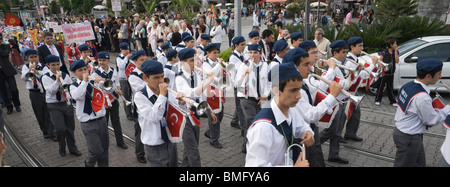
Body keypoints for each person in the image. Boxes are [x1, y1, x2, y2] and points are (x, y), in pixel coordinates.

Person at [245, 62, 314, 167]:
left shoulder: (291, 110)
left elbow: (302, 126)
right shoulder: (263, 128)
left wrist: (308, 132)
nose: (299, 96)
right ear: (276, 91)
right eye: (293, 91)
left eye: (299, 89)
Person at [394, 58, 450, 167]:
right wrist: (447, 108)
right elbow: (431, 120)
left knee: (419, 164)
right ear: (428, 76)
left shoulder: (407, 85)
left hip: (404, 133)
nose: (440, 77)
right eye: (439, 74)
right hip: (409, 138)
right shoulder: (422, 98)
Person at [294, 42, 342, 167]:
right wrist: (332, 96)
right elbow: (311, 114)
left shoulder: (304, 78)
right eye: (313, 53)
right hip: (303, 131)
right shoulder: (297, 85)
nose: (317, 55)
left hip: (308, 129)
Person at [134, 60, 186, 167]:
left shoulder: (167, 92)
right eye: (156, 77)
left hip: (170, 140)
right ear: (145, 78)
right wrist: (162, 95)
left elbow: (178, 110)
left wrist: (182, 102)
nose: (161, 81)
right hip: (154, 145)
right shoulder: (140, 96)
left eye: (162, 76)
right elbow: (154, 117)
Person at [175, 48, 215, 167]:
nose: (195, 63)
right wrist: (208, 81)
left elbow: (202, 96)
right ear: (183, 62)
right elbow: (192, 93)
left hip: (195, 115)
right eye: (191, 61)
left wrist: (210, 110)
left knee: (190, 149)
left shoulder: (196, 74)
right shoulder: (179, 78)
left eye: (195, 60)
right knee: (194, 153)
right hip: (184, 118)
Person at [69, 59, 108, 167]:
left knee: (104, 150)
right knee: (95, 150)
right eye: (80, 70)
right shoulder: (73, 86)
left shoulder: (94, 82)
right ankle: (88, 163)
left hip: (101, 119)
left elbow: (109, 90)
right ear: (74, 73)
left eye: (85, 69)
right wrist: (85, 81)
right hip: (88, 123)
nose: (84, 72)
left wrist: (103, 81)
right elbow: (77, 96)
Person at [42, 55, 82, 157]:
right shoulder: (45, 77)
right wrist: (57, 81)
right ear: (48, 65)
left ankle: (73, 148)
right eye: (53, 65)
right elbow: (50, 91)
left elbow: (69, 88)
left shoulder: (65, 75)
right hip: (53, 104)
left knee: (70, 128)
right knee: (60, 129)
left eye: (57, 64)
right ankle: (62, 146)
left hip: (66, 103)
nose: (56, 67)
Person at [318, 40, 350, 164]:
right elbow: (336, 85)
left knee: (337, 131)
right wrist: (348, 81)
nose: (345, 55)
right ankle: (312, 145)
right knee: (331, 130)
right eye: (343, 52)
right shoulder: (333, 67)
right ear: (335, 53)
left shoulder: (341, 65)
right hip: (335, 102)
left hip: (342, 101)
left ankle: (334, 154)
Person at [235, 44, 271, 153]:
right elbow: (237, 84)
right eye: (250, 52)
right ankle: (247, 146)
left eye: (255, 52)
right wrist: (244, 75)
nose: (252, 55)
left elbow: (269, 83)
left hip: (261, 99)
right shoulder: (244, 65)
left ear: (260, 53)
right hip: (247, 99)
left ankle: (255, 144)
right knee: (252, 121)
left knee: (259, 122)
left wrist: (265, 95)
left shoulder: (265, 66)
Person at [91, 51, 128, 149]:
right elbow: (95, 88)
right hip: (103, 101)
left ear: (108, 61)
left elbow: (116, 82)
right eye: (100, 60)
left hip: (113, 100)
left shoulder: (113, 70)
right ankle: (104, 143)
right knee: (104, 123)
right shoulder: (95, 74)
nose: (102, 62)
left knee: (116, 121)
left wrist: (119, 89)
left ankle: (120, 141)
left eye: (104, 60)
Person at [21, 49, 53, 139]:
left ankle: (52, 132)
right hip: (34, 92)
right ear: (27, 58)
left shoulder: (43, 66)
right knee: (39, 112)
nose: (34, 59)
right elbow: (23, 78)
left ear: (38, 57)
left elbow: (47, 74)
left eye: (35, 57)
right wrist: (30, 71)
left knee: (47, 112)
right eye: (31, 57)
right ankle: (44, 131)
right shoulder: (26, 67)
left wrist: (37, 72)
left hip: (45, 91)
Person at [202, 43, 224, 149]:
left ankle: (209, 131)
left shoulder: (216, 63)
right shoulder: (205, 64)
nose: (216, 55)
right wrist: (219, 64)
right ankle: (214, 139)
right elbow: (211, 74)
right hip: (209, 94)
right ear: (208, 53)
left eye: (217, 52)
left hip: (218, 92)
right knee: (214, 117)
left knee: (221, 115)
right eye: (214, 53)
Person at [128, 50, 149, 163]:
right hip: (139, 107)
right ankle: (140, 153)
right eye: (141, 60)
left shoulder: (149, 72)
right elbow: (141, 89)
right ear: (135, 61)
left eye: (145, 59)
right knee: (139, 131)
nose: (144, 62)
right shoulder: (133, 75)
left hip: (150, 105)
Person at [0, 34, 21, 115]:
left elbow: (5, 54)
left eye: (0, 39)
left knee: (13, 89)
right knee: (3, 91)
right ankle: (9, 107)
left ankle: (17, 104)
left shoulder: (6, 46)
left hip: (8, 70)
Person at [229, 36, 247, 131]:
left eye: (244, 44)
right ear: (236, 45)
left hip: (243, 84)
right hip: (238, 85)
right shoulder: (233, 58)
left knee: (240, 104)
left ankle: (234, 121)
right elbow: (235, 73)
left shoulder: (241, 54)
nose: (244, 47)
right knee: (240, 108)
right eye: (242, 45)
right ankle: (244, 129)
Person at [375, 39, 399, 106]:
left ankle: (392, 101)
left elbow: (397, 61)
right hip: (384, 73)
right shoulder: (384, 52)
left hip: (391, 73)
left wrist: (396, 52)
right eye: (395, 44)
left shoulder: (396, 52)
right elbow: (379, 61)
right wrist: (382, 67)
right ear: (391, 45)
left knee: (390, 87)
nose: (396, 45)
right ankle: (378, 100)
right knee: (381, 87)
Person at [116, 42, 134, 120]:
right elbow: (121, 66)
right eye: (125, 49)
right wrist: (126, 58)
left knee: (133, 95)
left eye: (127, 49)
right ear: (121, 50)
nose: (127, 51)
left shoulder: (130, 57)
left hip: (131, 78)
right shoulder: (119, 58)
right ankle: (128, 113)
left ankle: (133, 111)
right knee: (126, 97)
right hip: (124, 79)